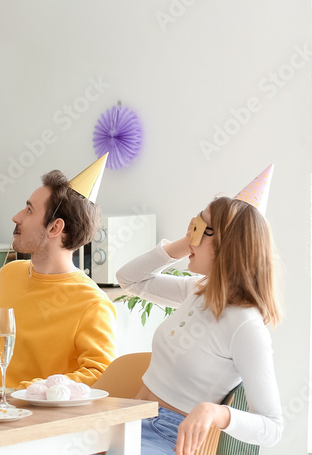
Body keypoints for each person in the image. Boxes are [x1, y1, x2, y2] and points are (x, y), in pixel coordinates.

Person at [117, 166, 282, 454]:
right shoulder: (198, 290)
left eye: (198, 228)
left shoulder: (246, 326)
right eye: (192, 224)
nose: (190, 234)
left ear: (226, 246)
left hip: (165, 436)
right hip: (128, 419)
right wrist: (191, 241)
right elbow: (129, 279)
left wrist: (214, 412)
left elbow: (272, 427)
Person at [0, 157, 116, 387]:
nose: (16, 217)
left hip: (28, 415)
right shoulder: (8, 274)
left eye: (29, 210)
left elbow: (100, 373)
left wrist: (35, 391)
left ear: (55, 228)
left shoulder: (93, 304)